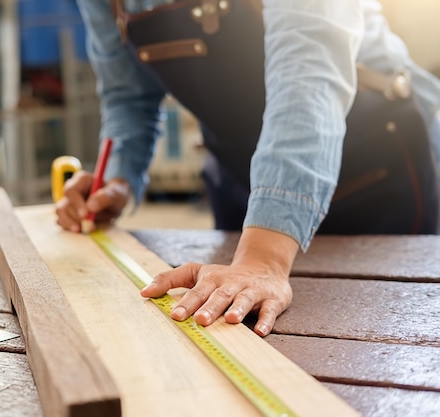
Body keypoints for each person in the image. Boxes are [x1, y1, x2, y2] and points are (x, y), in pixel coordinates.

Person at [55, 0, 440, 336]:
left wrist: (264, 259)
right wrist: (116, 180)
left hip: (376, 168)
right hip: (243, 182)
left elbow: (308, 77)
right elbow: (127, 96)